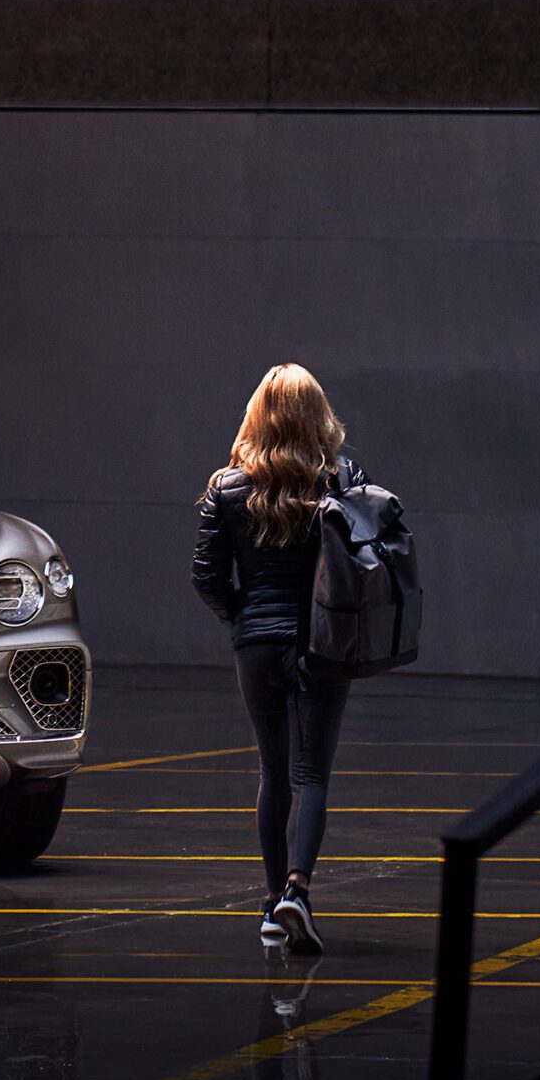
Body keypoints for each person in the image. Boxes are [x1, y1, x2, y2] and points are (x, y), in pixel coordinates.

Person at [191, 364, 364, 954]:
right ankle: (298, 890)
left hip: (257, 645)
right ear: (319, 416)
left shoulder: (227, 487)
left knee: (273, 772)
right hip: (323, 643)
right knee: (311, 772)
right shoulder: (338, 480)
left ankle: (270, 904)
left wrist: (239, 617)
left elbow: (205, 576)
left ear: (256, 417)